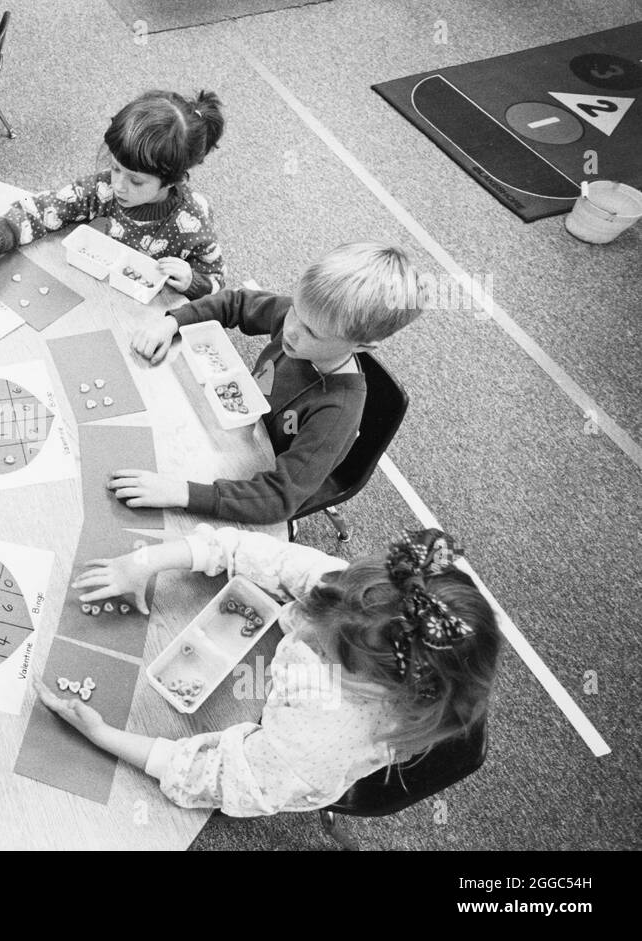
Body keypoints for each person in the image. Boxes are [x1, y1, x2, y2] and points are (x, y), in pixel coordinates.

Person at [38, 526, 500, 816]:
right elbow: (268, 556)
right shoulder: (361, 597)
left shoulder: (316, 742)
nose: (308, 625)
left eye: (321, 646)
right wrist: (146, 561)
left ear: (374, 689)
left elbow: (214, 778)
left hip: (286, 766)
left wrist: (104, 736)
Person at [118, 242, 420, 524]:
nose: (290, 330)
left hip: (256, 476)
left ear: (362, 346)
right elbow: (235, 303)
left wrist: (182, 493)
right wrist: (171, 322)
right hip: (236, 433)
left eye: (312, 332)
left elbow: (279, 497)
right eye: (294, 312)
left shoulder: (337, 411)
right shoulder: (307, 320)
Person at [0, 89, 226, 298]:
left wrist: (194, 282)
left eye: (136, 181)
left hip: (147, 317)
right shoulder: (104, 189)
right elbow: (41, 209)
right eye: (115, 168)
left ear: (171, 182)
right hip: (100, 294)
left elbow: (217, 282)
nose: (119, 185)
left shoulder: (193, 223)